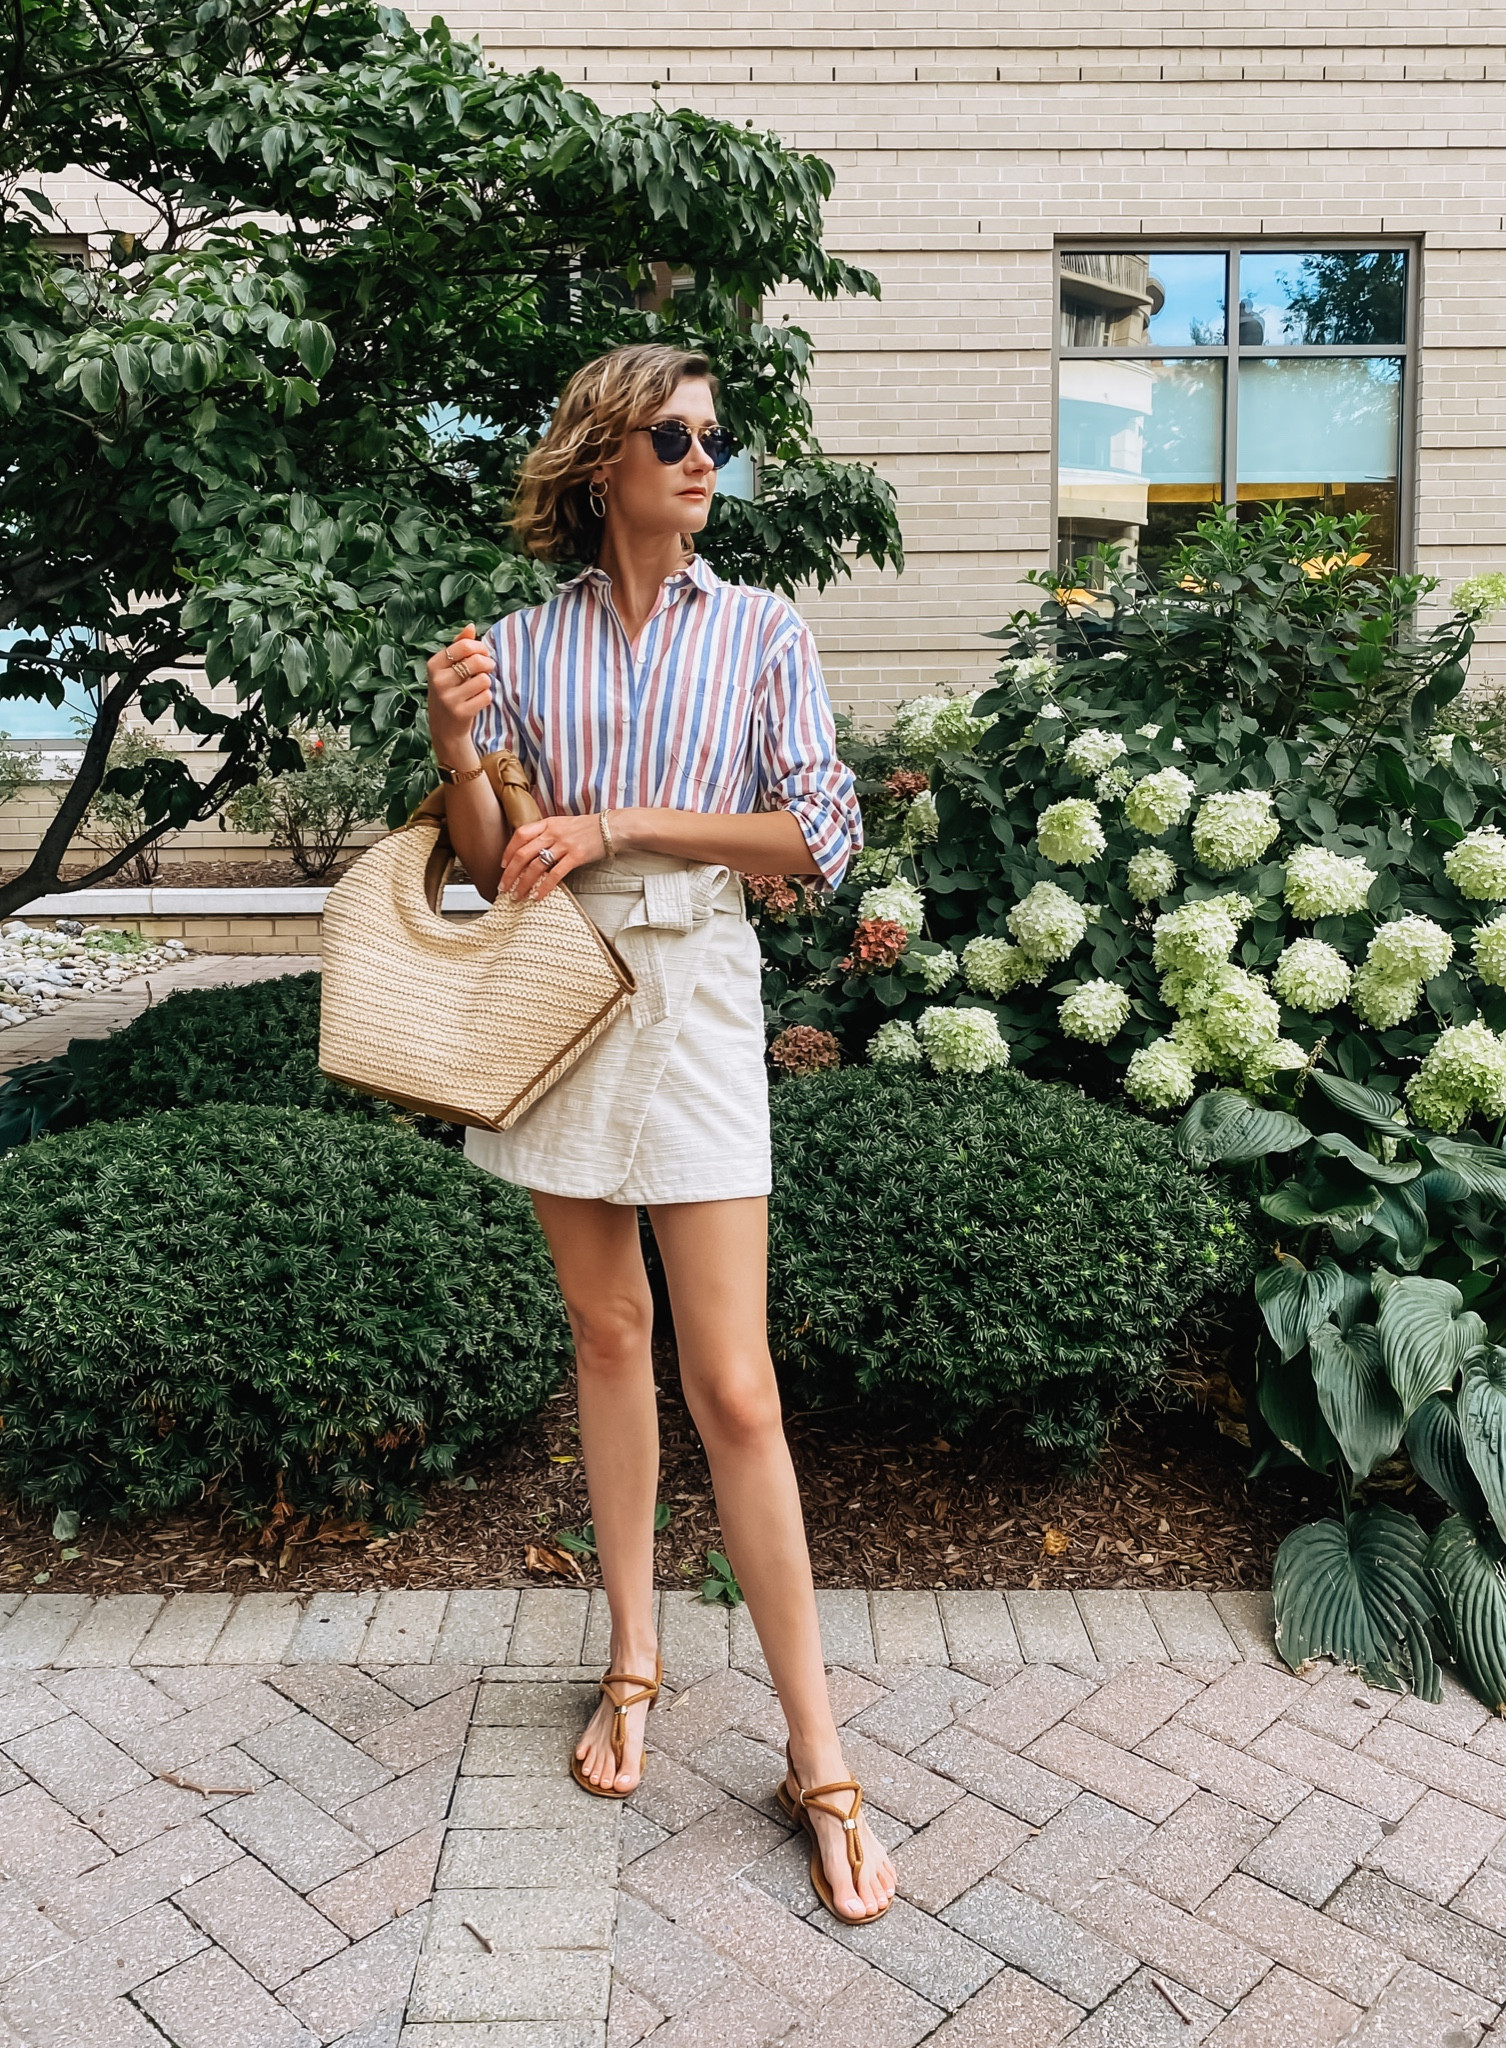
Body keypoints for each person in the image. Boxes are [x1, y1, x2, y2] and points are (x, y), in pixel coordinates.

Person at [425, 343, 897, 1924]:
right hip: (568, 993)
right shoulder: (525, 648)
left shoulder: (761, 628)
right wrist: (455, 753)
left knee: (737, 1385)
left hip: (695, 988)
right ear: (606, 459)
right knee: (607, 1335)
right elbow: (494, 865)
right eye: (676, 436)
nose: (706, 459)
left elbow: (817, 838)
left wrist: (624, 820)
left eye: (716, 437)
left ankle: (816, 1750)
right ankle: (632, 1655)